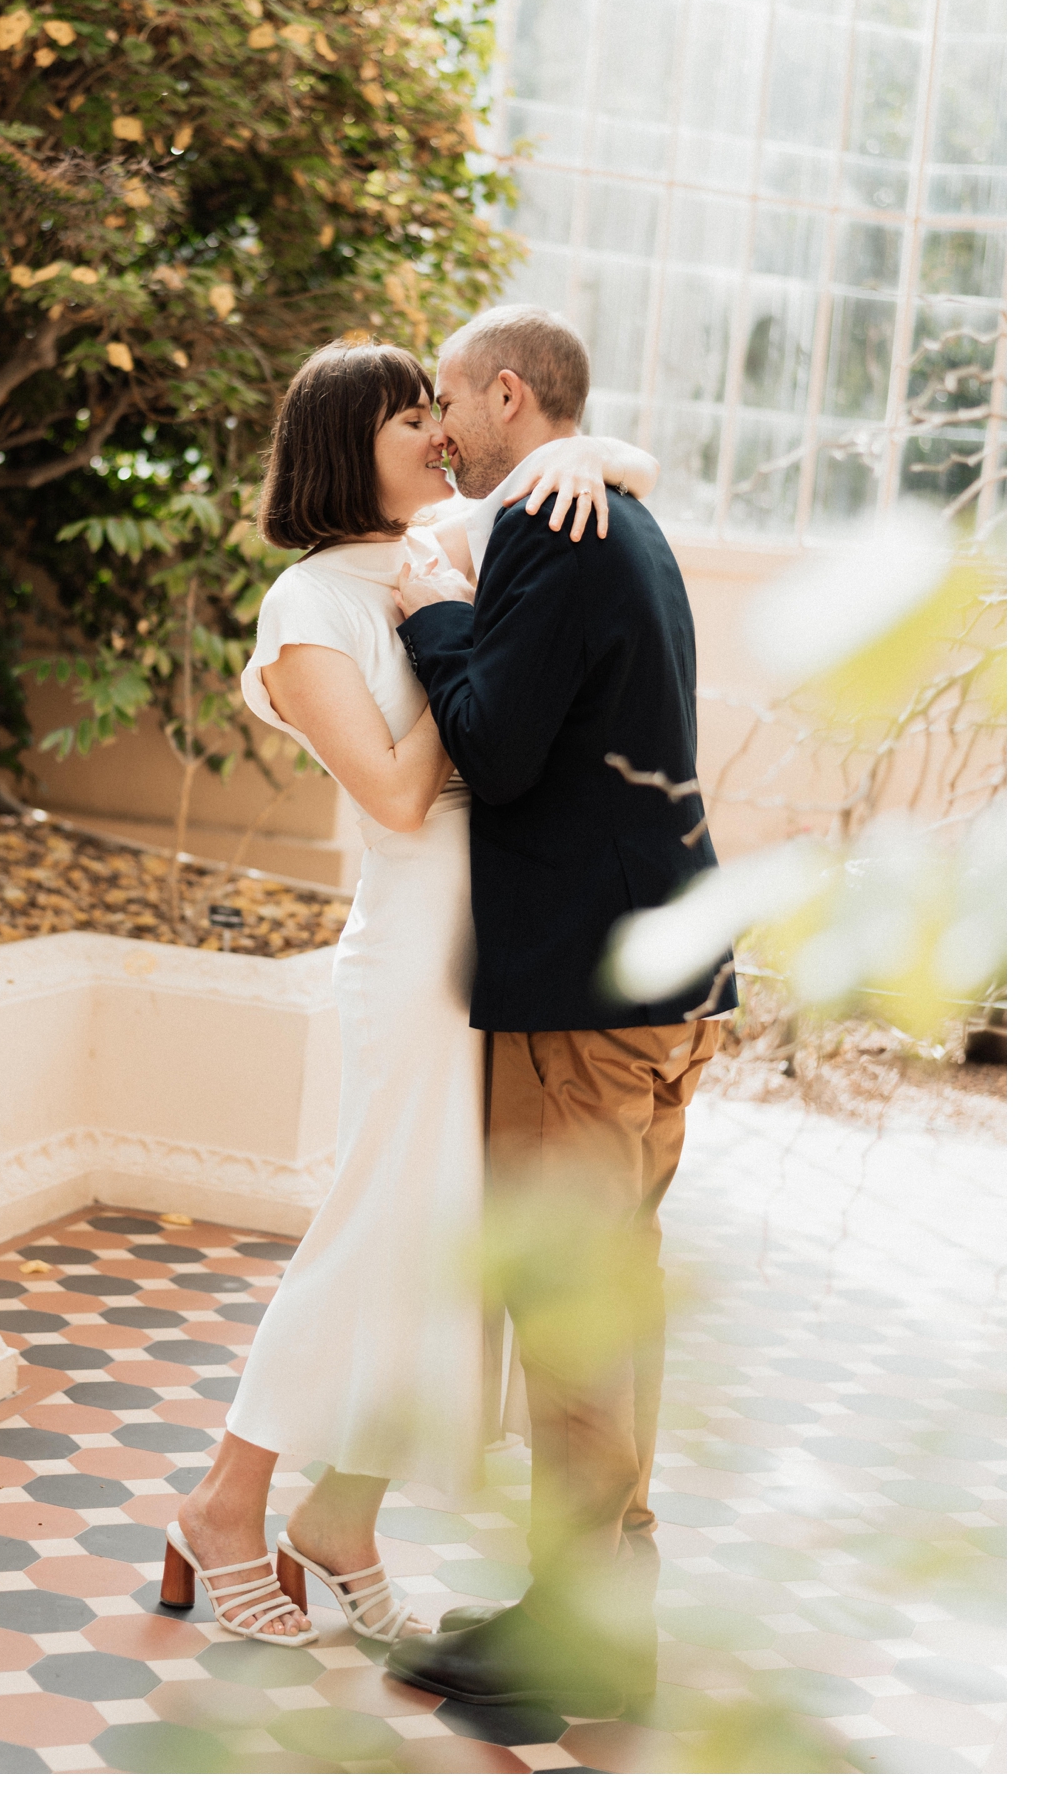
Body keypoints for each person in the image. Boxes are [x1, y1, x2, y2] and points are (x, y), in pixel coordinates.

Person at [159, 335, 661, 1645]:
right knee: (369, 1233)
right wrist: (462, 647)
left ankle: (344, 1515)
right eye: (408, 422)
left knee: (452, 1262)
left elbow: (615, 461)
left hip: (502, 967)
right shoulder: (312, 605)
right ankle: (225, 1501)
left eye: (441, 417)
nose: (440, 438)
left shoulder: (453, 535)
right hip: (406, 967)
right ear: (345, 442)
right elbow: (392, 789)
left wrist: (587, 459)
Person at [382, 302, 736, 1717]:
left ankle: (574, 1655)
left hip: (585, 1000)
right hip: (670, 979)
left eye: (451, 402)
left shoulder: (550, 521)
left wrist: (434, 619)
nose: (442, 427)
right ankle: (594, 1610)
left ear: (509, 396)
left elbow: (494, 748)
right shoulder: (617, 511)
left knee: (572, 1311)